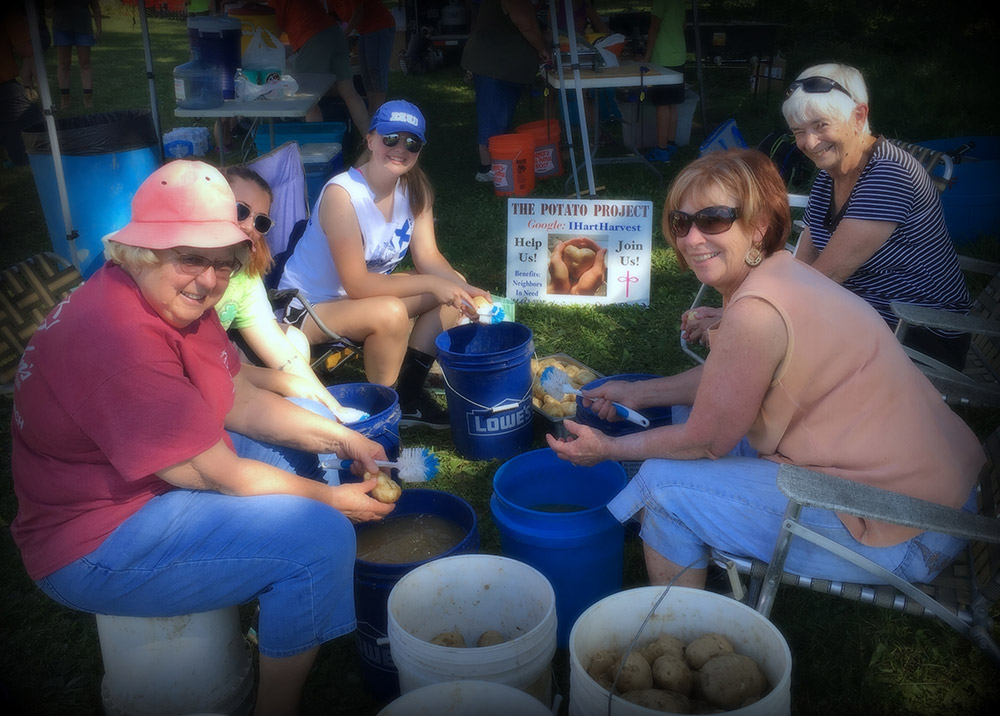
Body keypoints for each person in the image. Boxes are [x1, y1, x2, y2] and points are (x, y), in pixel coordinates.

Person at [10, 160, 395, 716]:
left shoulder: (175, 300)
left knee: (305, 435)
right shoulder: (119, 341)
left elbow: (238, 400)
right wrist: (333, 503)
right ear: (141, 251)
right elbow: (219, 473)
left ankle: (280, 599)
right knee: (320, 538)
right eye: (190, 257)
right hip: (91, 539)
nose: (210, 279)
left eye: (222, 261)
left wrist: (342, 440)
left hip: (142, 483)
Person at [548, 148, 984, 590]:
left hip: (907, 526)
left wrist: (607, 448)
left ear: (757, 227)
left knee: (661, 487)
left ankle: (680, 621)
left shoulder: (755, 312)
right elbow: (733, 379)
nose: (692, 239)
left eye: (713, 219)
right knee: (681, 426)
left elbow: (707, 440)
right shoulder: (785, 273)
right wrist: (639, 393)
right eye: (681, 222)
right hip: (933, 491)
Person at [682, 63, 972, 372]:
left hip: (916, 333)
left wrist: (740, 318)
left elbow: (825, 278)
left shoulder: (890, 176)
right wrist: (739, 310)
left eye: (820, 125)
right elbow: (803, 267)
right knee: (754, 346)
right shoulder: (830, 175)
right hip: (858, 312)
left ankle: (684, 391)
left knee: (758, 349)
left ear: (858, 116)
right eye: (798, 131)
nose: (809, 143)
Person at [278, 100, 490, 427]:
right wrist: (434, 284)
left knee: (452, 289)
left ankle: (409, 394)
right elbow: (357, 285)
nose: (400, 149)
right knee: (390, 311)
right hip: (307, 305)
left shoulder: (416, 189)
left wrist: (464, 289)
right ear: (371, 140)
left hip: (359, 298)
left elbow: (428, 257)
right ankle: (383, 411)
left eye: (412, 143)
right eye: (391, 139)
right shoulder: (343, 195)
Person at [218, 164, 360, 421]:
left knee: (293, 342)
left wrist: (334, 408)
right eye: (241, 210)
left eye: (260, 222)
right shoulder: (184, 271)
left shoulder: (243, 271)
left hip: (219, 351)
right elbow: (199, 363)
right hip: (184, 367)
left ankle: (279, 415)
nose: (249, 226)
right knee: (287, 381)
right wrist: (285, 383)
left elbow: (274, 344)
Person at [461, 0, 550, 183]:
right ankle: (487, 168)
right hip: (493, 64)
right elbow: (527, 26)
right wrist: (542, 49)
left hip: (501, 64)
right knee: (491, 117)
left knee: (499, 117)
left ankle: (499, 163)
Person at [266, 0, 369, 136]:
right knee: (349, 93)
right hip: (334, 33)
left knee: (308, 100)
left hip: (312, 38)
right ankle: (368, 139)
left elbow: (274, 31)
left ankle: (317, 144)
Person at [328, 0, 396, 113]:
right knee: (365, 72)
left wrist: (344, 35)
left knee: (375, 70)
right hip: (364, 31)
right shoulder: (330, 3)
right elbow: (330, 18)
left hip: (380, 26)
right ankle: (372, 109)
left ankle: (379, 110)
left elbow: (358, 12)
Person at [642, 0, 686, 163]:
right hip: (678, 55)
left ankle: (661, 150)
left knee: (662, 106)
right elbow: (683, 25)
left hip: (663, 58)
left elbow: (654, 27)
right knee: (672, 104)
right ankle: (670, 144)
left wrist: (646, 56)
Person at [1, 3, 43, 167]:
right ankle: (18, 157)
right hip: (4, 86)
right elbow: (26, 49)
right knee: (36, 126)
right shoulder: (8, 11)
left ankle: (10, 158)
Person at [51, 0, 101, 110]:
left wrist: (99, 26)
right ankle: (65, 98)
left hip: (83, 26)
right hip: (61, 26)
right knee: (64, 63)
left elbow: (95, 6)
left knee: (85, 63)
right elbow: (47, 5)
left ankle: (88, 98)